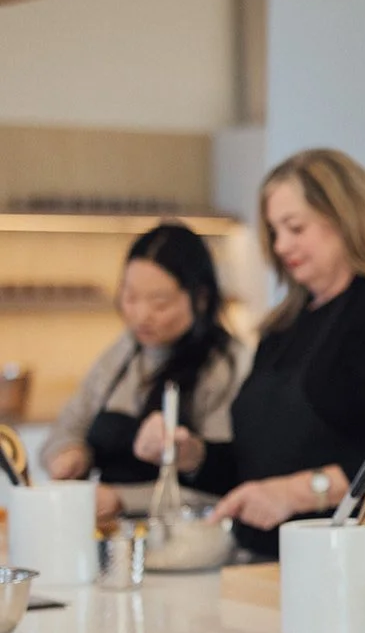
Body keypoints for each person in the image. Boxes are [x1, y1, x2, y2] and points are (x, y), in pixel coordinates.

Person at [210, 149, 365, 556]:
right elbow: (259, 460)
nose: (282, 245)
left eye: (295, 227)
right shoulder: (282, 328)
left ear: (344, 217)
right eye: (275, 231)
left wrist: (297, 492)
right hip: (271, 560)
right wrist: (193, 455)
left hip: (362, 560)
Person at [41, 224, 247, 524]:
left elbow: (224, 486)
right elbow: (69, 424)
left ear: (200, 298)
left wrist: (122, 499)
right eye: (130, 297)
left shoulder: (226, 366)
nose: (140, 315)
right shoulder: (123, 352)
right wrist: (69, 454)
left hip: (181, 543)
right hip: (109, 538)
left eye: (159, 302)